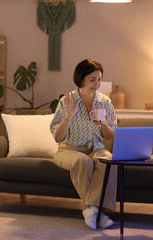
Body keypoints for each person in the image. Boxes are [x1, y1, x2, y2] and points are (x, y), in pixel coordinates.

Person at [50, 59, 118, 230]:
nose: (97, 84)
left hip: (96, 148)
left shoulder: (104, 101)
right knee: (83, 161)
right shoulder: (67, 101)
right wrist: (69, 115)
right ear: (81, 79)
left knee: (108, 161)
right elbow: (58, 137)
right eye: (92, 79)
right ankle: (98, 213)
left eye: (99, 79)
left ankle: (92, 209)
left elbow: (110, 136)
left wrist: (103, 124)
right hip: (69, 149)